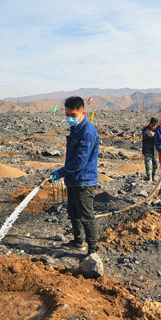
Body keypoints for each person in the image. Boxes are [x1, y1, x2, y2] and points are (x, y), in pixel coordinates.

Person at [50, 96, 100, 255]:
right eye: (67, 115)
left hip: (84, 181)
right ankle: (79, 241)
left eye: (73, 115)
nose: (69, 118)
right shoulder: (76, 128)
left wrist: (60, 172)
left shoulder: (87, 132)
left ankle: (92, 250)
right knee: (73, 212)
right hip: (73, 180)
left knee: (86, 215)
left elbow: (80, 161)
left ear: (82, 112)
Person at [142, 117, 159, 182]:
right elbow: (148, 135)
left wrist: (154, 134)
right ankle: (149, 177)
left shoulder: (157, 130)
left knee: (156, 164)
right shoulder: (145, 129)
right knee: (149, 165)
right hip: (147, 151)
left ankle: (153, 175)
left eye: (155, 126)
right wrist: (155, 135)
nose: (154, 127)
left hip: (155, 151)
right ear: (150, 124)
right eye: (153, 126)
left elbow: (160, 135)